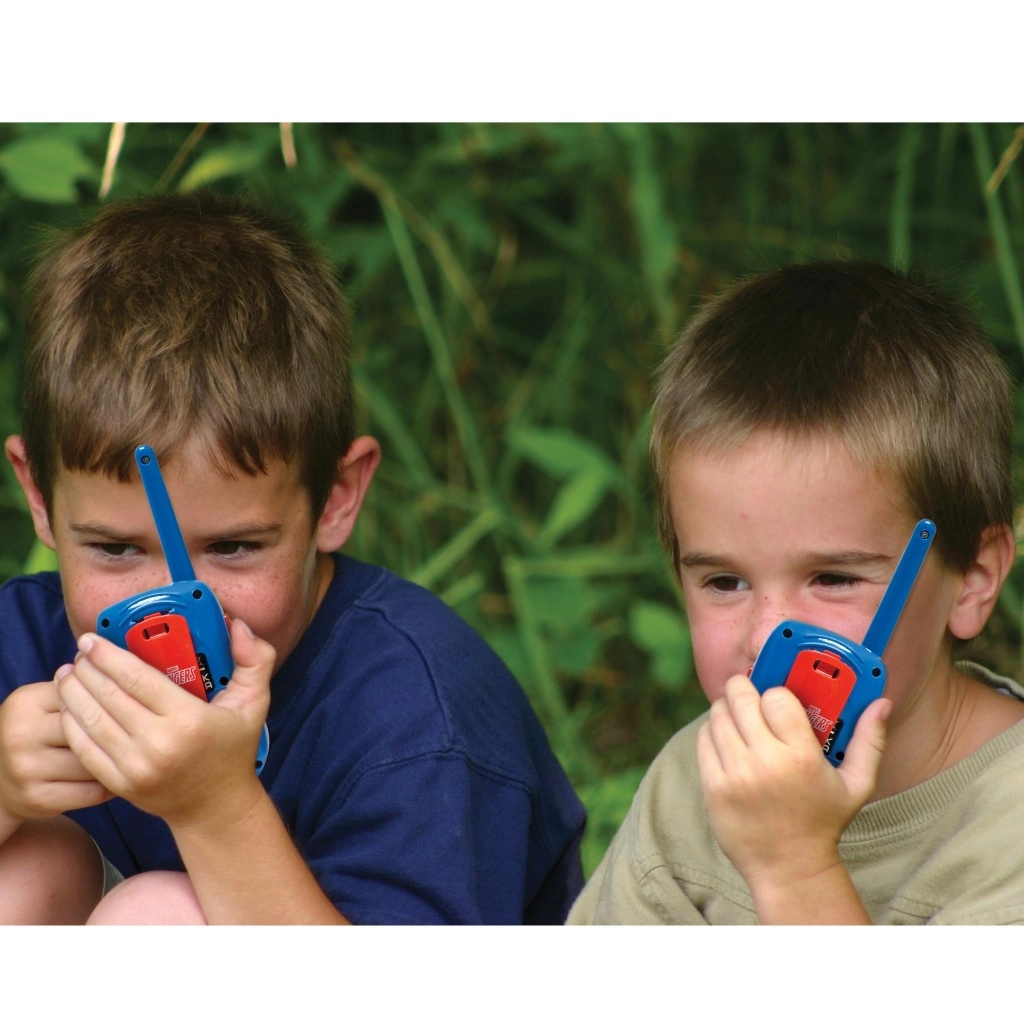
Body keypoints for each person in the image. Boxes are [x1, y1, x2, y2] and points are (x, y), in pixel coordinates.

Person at [0, 192, 586, 925]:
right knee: (28, 862)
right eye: (116, 549)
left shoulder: (416, 722)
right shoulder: (21, 643)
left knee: (155, 917)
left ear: (335, 498)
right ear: (39, 496)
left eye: (234, 548)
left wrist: (216, 809)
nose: (172, 608)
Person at [569, 260, 1024, 925]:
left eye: (833, 578)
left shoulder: (1009, 826)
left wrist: (794, 866)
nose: (765, 636)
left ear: (973, 580)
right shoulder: (695, 781)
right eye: (725, 582)